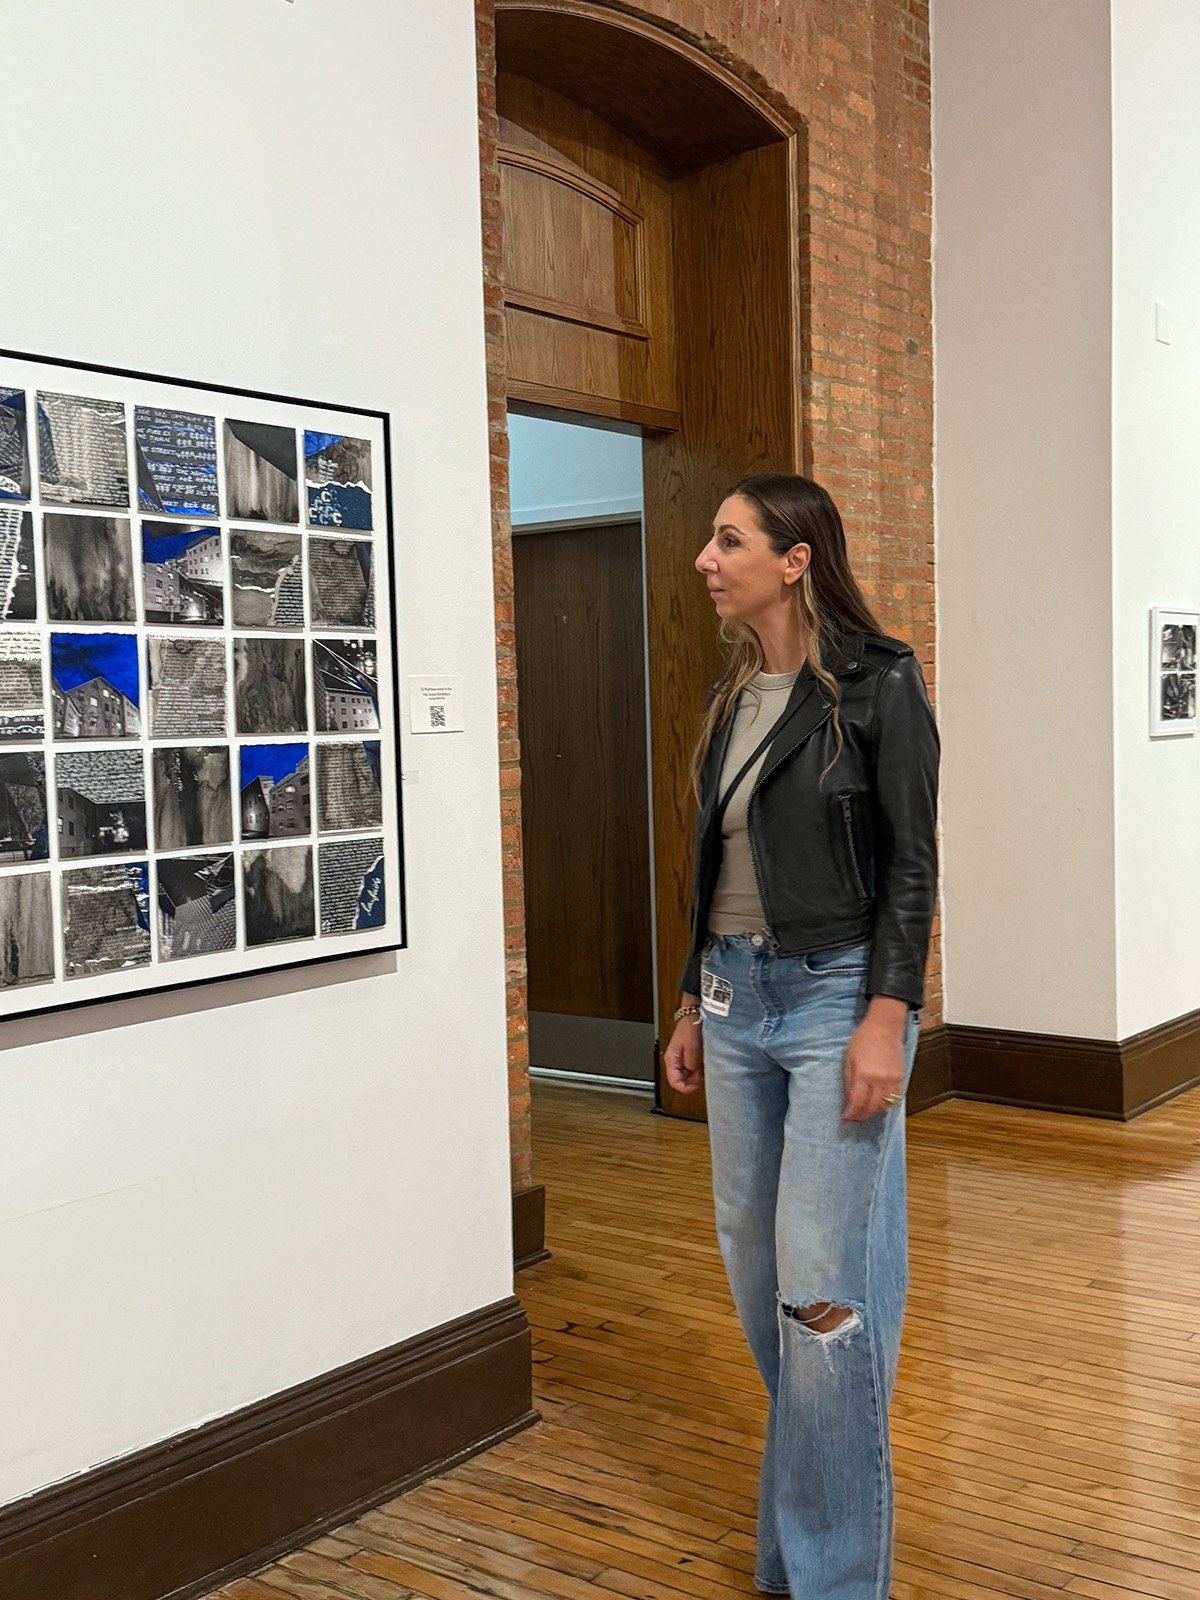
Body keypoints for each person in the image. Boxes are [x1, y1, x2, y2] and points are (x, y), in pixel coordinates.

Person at [663, 475, 939, 1600]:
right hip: (735, 1004)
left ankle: (830, 1579)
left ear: (794, 559)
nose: (704, 558)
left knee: (824, 1303)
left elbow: (912, 865)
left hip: (836, 1001)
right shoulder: (735, 701)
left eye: (727, 539)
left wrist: (888, 1011)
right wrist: (689, 1000)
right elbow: (715, 870)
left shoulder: (879, 685)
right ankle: (804, 1546)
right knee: (762, 1283)